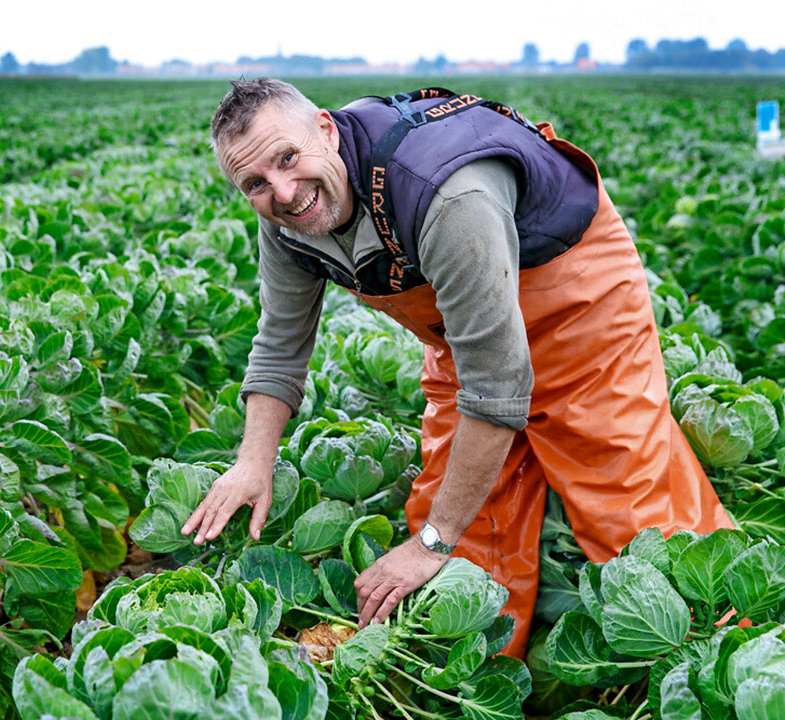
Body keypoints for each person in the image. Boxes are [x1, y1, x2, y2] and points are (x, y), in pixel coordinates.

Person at [180, 78, 731, 657]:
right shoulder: (287, 223)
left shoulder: (442, 192)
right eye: (256, 184)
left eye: (288, 158)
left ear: (324, 128)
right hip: (460, 326)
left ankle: (726, 649)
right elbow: (279, 345)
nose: (285, 191)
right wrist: (251, 463)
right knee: (469, 519)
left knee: (627, 496)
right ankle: (480, 671)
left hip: (575, 303)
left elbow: (497, 391)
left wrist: (429, 544)